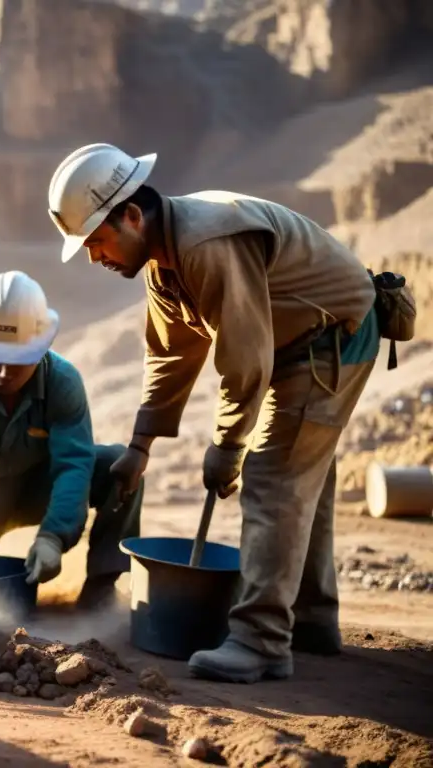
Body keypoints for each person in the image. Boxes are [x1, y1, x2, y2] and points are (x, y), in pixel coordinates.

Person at [46, 142, 386, 683]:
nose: (94, 257)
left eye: (97, 241)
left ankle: (261, 640)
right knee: (304, 479)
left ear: (132, 216)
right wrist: (139, 448)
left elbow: (244, 355)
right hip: (294, 345)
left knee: (274, 477)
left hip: (331, 340)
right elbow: (170, 356)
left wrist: (229, 446)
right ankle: (311, 621)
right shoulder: (164, 262)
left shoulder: (206, 242)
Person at [0, 271, 143, 607]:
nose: (3, 373)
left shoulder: (63, 383)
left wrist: (53, 537)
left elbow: (73, 466)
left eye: (16, 363)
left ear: (40, 350)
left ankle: (102, 587)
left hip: (39, 487)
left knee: (116, 465)